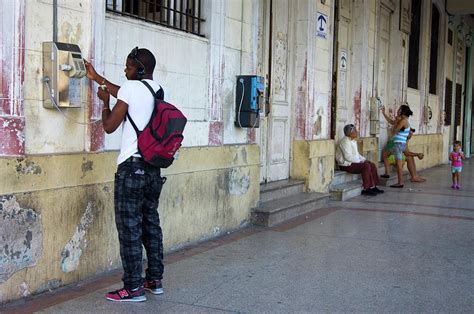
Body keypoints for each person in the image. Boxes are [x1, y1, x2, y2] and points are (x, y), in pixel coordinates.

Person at [84, 47, 166, 302]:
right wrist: (97, 77)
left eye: (129, 67)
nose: (125, 70)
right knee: (150, 224)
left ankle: (133, 288)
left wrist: (105, 103)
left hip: (131, 169)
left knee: (129, 229)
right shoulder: (159, 90)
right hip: (153, 169)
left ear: (139, 69)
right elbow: (125, 92)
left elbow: (109, 127)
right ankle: (154, 280)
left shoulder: (132, 88)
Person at [336, 124, 384, 196]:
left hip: (353, 162)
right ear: (349, 133)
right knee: (366, 166)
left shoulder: (353, 141)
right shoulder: (345, 141)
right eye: (354, 131)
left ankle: (373, 186)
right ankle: (366, 189)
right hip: (345, 164)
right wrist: (361, 162)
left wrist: (364, 160)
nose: (357, 132)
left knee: (372, 165)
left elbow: (357, 154)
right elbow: (348, 157)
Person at [380, 104, 413, 188]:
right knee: (384, 154)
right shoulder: (401, 120)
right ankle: (387, 173)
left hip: (398, 144)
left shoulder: (403, 121)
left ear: (402, 111)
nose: (397, 111)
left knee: (398, 163)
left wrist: (396, 122)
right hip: (394, 142)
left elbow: (394, 131)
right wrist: (384, 113)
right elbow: (391, 122)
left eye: (399, 110)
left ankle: (400, 182)